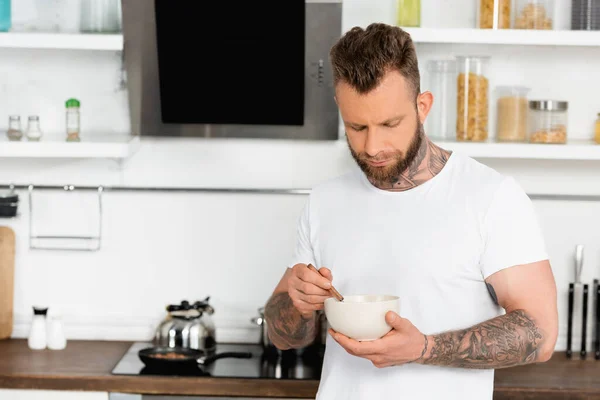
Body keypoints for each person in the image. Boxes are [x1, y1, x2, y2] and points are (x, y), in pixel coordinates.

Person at [263, 23, 558, 400]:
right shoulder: (324, 201)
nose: (373, 146)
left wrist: (423, 348)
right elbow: (282, 335)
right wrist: (297, 305)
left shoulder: (491, 197)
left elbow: (541, 334)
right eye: (357, 126)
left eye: (390, 124)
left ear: (422, 106)